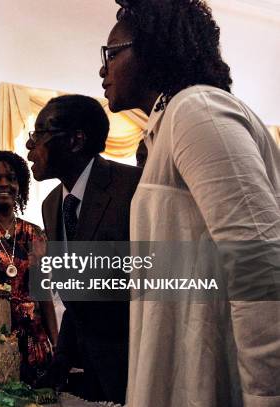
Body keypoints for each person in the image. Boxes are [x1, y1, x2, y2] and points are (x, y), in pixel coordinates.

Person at [99, 1, 280, 406]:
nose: (102, 69)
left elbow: (259, 260)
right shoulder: (166, 126)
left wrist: (267, 396)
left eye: (111, 53)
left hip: (214, 381)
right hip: (183, 371)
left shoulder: (198, 110)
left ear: (153, 48)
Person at [26, 94, 142, 404]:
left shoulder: (133, 187)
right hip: (89, 374)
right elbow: (76, 299)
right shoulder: (52, 204)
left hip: (139, 369)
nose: (29, 147)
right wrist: (62, 359)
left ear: (75, 140)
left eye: (38, 135)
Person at [0, 151, 58, 386]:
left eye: (11, 178)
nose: (4, 184)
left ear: (19, 185)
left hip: (35, 342)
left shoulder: (35, 233)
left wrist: (56, 344)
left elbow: (43, 293)